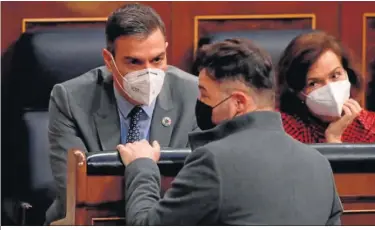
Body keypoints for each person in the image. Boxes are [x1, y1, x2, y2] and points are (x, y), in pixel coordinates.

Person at [117, 38, 343, 225]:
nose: (199, 102)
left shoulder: (213, 162)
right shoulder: (320, 165)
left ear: (238, 103)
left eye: (205, 94)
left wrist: (142, 166)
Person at [46, 3, 198, 224]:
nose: (148, 72)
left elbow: (198, 188)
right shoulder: (70, 99)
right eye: (134, 62)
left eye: (157, 59)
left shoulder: (193, 93)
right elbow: (76, 190)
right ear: (109, 60)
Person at [278, 31, 375, 143]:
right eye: (314, 83)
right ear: (299, 93)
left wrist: (335, 139)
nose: (330, 89)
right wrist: (332, 139)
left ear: (348, 74)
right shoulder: (284, 131)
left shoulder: (370, 131)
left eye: (335, 75)